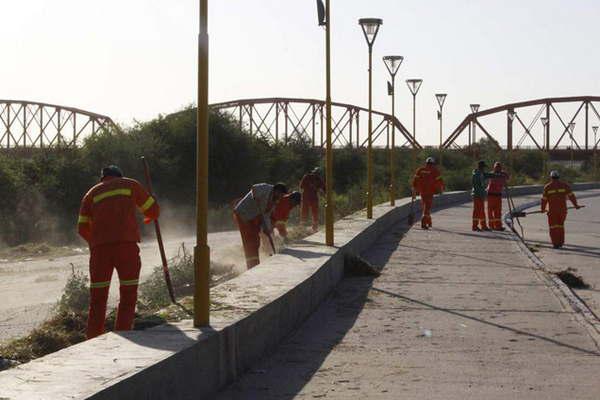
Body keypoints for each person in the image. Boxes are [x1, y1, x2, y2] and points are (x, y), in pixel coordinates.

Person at [77, 165, 160, 339]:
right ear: (119, 176)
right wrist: (152, 206)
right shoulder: (131, 185)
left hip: (100, 252)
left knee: (98, 300)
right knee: (128, 296)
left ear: (103, 178)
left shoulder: (91, 194)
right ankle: (123, 334)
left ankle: (93, 340)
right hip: (127, 249)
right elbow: (152, 211)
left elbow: (82, 228)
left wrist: (95, 243)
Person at [233, 183, 288, 268]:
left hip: (253, 217)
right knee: (250, 240)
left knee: (256, 241)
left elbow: (266, 215)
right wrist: (256, 196)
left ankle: (255, 263)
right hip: (243, 214)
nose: (281, 197)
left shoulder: (273, 202)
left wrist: (267, 229)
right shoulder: (267, 188)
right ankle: (251, 265)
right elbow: (254, 188)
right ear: (276, 190)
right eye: (281, 194)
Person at [541, 170, 581, 248]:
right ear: (558, 177)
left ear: (551, 177)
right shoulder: (565, 185)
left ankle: (555, 244)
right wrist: (576, 205)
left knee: (553, 227)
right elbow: (571, 196)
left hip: (552, 211)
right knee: (560, 226)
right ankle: (560, 243)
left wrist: (542, 209)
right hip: (563, 211)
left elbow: (544, 199)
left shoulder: (548, 187)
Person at [412, 157, 445, 229]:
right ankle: (423, 223)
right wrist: (441, 190)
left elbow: (415, 180)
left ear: (426, 163)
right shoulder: (435, 171)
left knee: (425, 206)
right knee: (427, 208)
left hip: (422, 192)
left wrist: (414, 189)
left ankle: (429, 222)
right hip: (430, 192)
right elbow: (440, 182)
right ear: (433, 163)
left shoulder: (420, 170)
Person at [471, 160, 498, 231]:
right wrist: (480, 194)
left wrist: (496, 175)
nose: (484, 169)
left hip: (481, 195)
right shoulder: (476, 175)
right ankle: (474, 226)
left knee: (482, 211)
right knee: (477, 211)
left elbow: (488, 175)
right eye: (483, 167)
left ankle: (484, 226)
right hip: (477, 195)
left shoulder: (481, 173)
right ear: (481, 167)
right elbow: (477, 186)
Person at [299, 167, 326, 232]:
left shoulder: (319, 179)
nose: (315, 174)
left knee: (315, 212)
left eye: (317, 173)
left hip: (314, 198)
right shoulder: (306, 177)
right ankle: (302, 228)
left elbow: (324, 188)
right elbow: (301, 186)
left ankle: (315, 228)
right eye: (315, 173)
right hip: (306, 197)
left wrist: (324, 192)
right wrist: (309, 185)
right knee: (304, 212)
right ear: (313, 172)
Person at [486, 162, 510, 230]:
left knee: (498, 212)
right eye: (496, 167)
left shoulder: (503, 175)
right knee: (490, 211)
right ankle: (491, 225)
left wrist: (503, 174)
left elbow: (507, 177)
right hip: (491, 195)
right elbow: (492, 178)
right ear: (494, 168)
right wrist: (501, 175)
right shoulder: (492, 174)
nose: (498, 169)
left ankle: (498, 226)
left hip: (498, 195)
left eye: (499, 167)